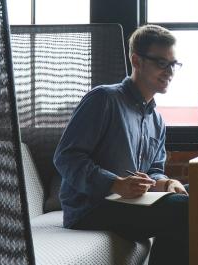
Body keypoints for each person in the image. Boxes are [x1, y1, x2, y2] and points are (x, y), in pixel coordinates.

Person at [53, 24, 189, 265]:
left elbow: (154, 170)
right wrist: (115, 184)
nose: (170, 72)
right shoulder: (104, 99)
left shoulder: (157, 120)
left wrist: (165, 181)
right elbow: (66, 157)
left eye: (173, 64)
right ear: (137, 61)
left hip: (130, 204)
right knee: (184, 210)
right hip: (91, 208)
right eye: (161, 63)